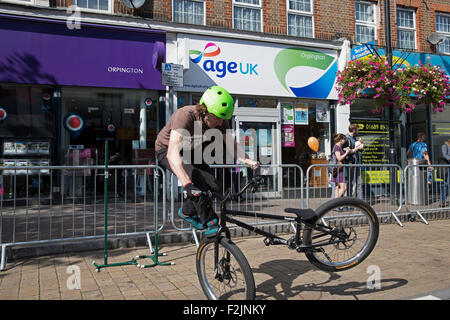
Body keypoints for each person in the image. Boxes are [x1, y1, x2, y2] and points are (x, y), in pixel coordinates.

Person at [154, 86, 258, 237]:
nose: (220, 123)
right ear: (204, 111)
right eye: (217, 118)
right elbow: (172, 153)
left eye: (224, 119)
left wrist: (250, 162)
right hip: (166, 150)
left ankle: (187, 212)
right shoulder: (185, 115)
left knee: (214, 185)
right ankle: (210, 222)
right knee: (197, 187)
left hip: (191, 151)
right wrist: (187, 184)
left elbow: (231, 145)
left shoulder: (222, 121)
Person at [343, 124, 364, 199]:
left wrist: (360, 144)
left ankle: (360, 202)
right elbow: (347, 151)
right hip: (350, 163)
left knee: (359, 182)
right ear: (354, 130)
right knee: (350, 183)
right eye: (357, 129)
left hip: (357, 163)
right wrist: (358, 148)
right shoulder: (346, 139)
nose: (358, 131)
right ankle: (349, 201)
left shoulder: (355, 138)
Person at [332, 133, 351, 199]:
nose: (345, 141)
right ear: (340, 140)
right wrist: (346, 153)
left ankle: (337, 206)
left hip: (338, 170)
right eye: (344, 139)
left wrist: (344, 150)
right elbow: (339, 158)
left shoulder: (338, 147)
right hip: (339, 170)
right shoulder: (337, 147)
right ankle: (334, 204)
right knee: (343, 188)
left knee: (337, 188)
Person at [439, 139, 450, 206]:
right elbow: (445, 155)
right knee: (446, 184)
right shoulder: (445, 146)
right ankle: (442, 200)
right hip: (447, 167)